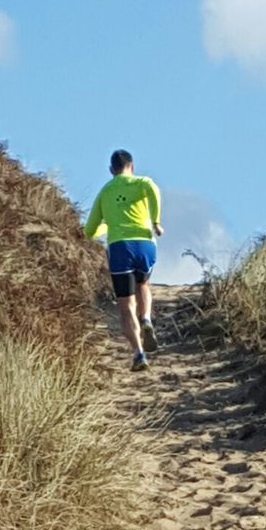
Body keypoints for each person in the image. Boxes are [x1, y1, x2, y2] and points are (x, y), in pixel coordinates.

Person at [84, 150, 164, 371]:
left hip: (120, 247)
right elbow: (153, 191)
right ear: (132, 166)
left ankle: (139, 354)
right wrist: (156, 221)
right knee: (144, 284)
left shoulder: (105, 192)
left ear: (111, 170)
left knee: (126, 306)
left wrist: (108, 225)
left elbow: (89, 231)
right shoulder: (142, 182)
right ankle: (147, 319)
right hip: (145, 243)